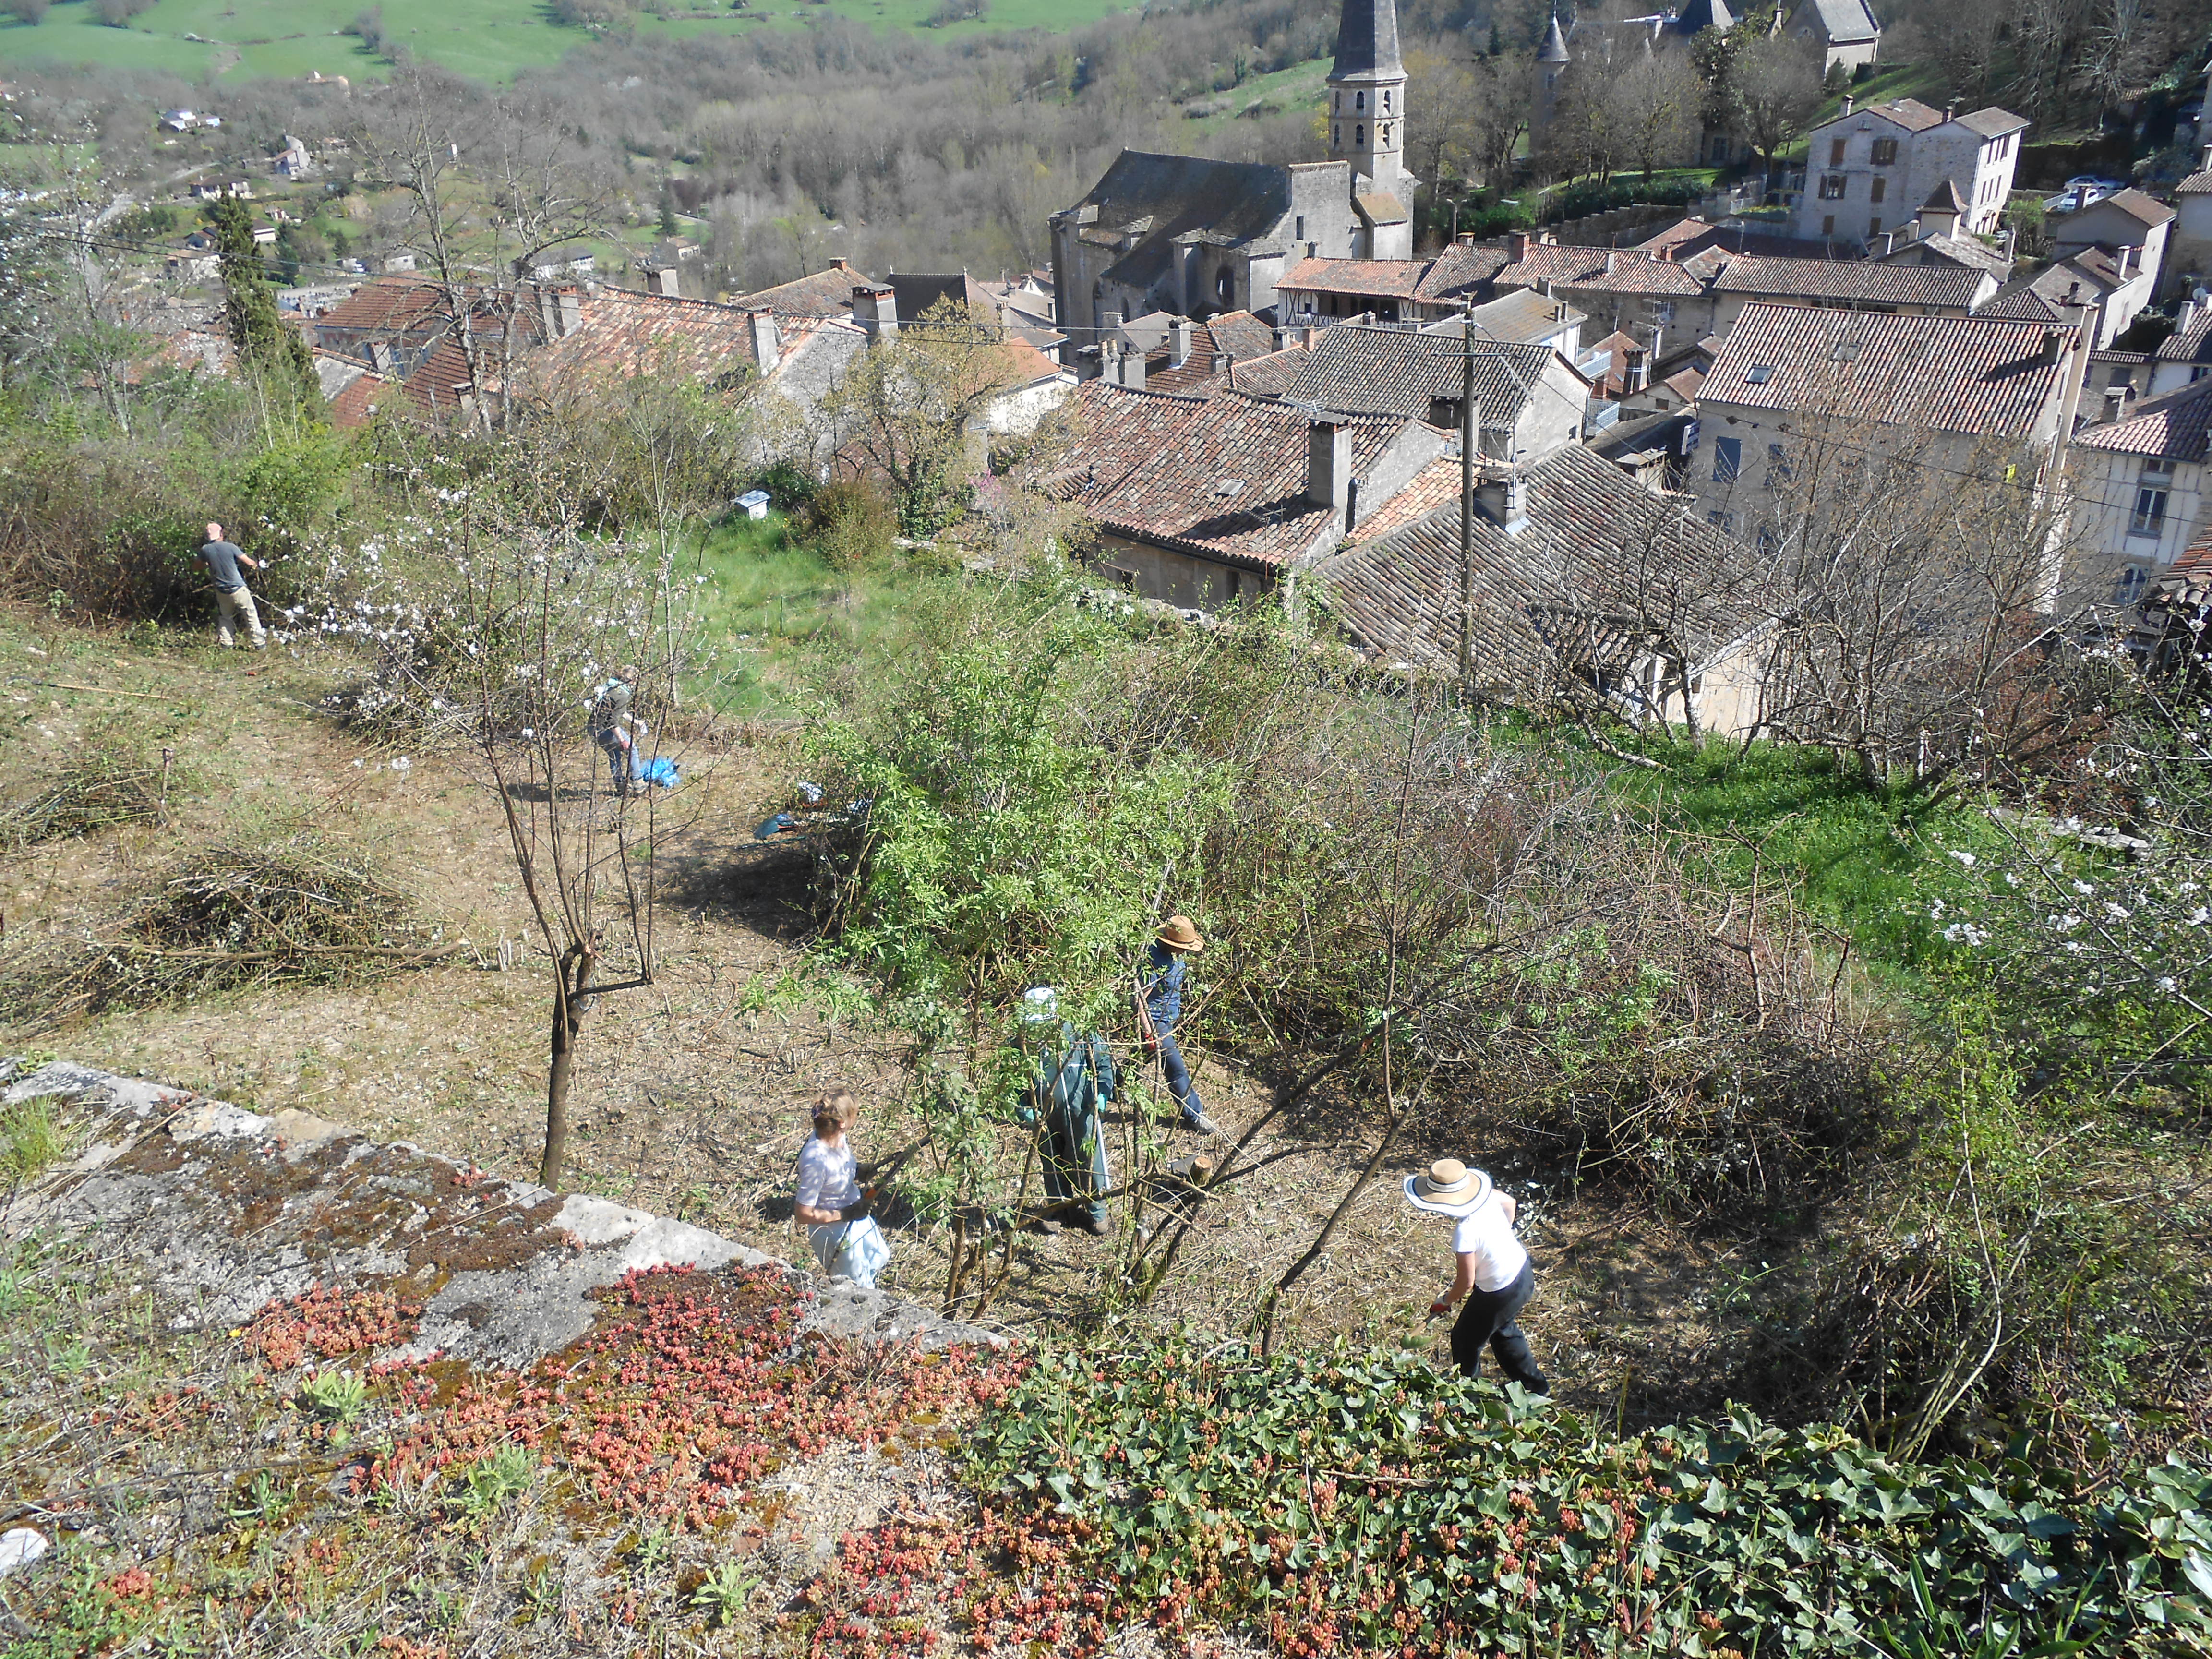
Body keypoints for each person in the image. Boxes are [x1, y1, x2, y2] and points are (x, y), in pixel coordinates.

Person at [1405, 1158, 1550, 1395]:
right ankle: (1536, 1388)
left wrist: (1445, 1301)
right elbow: (1510, 1203)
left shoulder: (1465, 1232)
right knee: (1502, 1329)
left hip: (1499, 1292)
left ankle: (1471, 1396)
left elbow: (1466, 1282)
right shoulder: (1489, 1197)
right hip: (1522, 1273)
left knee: (1465, 1340)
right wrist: (1501, 1237)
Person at [1016, 986, 1114, 1236]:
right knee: (1050, 1159)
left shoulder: (1080, 1034)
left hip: (1081, 1108)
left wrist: (1102, 1092)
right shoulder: (1021, 1041)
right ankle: (1059, 1207)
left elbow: (1103, 1061)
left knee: (1087, 1157)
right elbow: (1013, 1079)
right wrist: (1023, 1109)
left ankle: (1097, 1210)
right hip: (1044, 1113)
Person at [793, 1091, 890, 1288]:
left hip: (855, 1215)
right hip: (833, 1230)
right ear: (843, 1122)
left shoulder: (838, 1137)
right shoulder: (816, 1160)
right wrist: (844, 1214)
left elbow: (835, 1172)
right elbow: (803, 1215)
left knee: (880, 1255)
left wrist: (858, 1171)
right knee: (859, 1287)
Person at [1136, 915, 1218, 1135]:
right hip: (1156, 1023)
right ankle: (1195, 1116)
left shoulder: (1176, 957)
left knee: (1140, 1057)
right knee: (1176, 1070)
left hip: (1168, 1020)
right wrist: (1150, 1032)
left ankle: (1117, 1084)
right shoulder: (1153, 961)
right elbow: (1139, 1000)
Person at [197, 523, 266, 651]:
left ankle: (226, 644)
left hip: (222, 591)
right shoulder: (230, 547)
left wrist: (208, 564)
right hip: (238, 589)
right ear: (221, 534)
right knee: (250, 614)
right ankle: (259, 644)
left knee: (225, 617)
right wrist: (256, 565)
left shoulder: (205, 550)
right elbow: (249, 562)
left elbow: (197, 567)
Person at [590, 665, 645, 797]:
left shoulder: (613, 687)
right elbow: (613, 720)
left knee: (614, 753)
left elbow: (620, 712)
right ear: (632, 680)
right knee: (632, 749)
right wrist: (622, 740)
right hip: (605, 729)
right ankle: (638, 784)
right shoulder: (623, 695)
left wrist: (636, 722)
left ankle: (620, 786)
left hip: (593, 728)